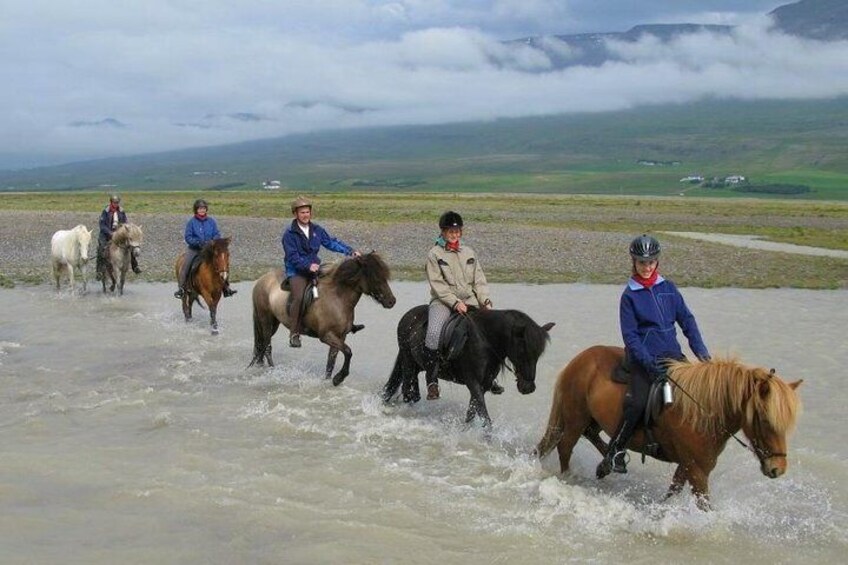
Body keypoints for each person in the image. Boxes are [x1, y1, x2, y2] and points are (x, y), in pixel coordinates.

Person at [597, 234, 710, 478]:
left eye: (650, 263)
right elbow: (631, 337)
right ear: (634, 262)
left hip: (673, 356)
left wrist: (703, 356)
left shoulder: (669, 289)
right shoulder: (629, 296)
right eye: (641, 263)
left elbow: (687, 322)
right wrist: (649, 364)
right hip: (644, 359)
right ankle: (615, 449)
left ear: (657, 262)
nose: (646, 267)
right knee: (637, 402)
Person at [423, 210, 501, 401]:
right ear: (443, 232)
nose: (455, 234)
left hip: (470, 301)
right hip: (442, 302)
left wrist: (485, 301)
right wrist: (455, 302)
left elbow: (479, 280)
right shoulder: (434, 254)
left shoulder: (469, 252)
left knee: (492, 330)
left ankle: (490, 377)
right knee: (433, 334)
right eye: (451, 231)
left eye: (457, 231)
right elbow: (437, 284)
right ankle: (432, 381)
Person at [282, 196, 360, 348]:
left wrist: (350, 252)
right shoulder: (289, 234)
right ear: (295, 214)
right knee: (298, 297)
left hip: (315, 268)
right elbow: (292, 256)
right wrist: (307, 265)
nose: (305, 215)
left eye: (307, 212)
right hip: (296, 271)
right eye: (302, 212)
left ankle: (344, 322)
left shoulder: (317, 230)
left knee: (338, 283)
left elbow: (331, 242)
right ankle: (294, 333)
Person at [174, 198, 237, 299]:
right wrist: (198, 243)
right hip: (195, 249)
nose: (202, 210)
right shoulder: (191, 222)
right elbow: (188, 237)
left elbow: (216, 233)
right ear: (196, 210)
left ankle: (226, 287)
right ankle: (181, 288)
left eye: (203, 208)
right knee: (186, 264)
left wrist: (214, 242)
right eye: (200, 209)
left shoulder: (211, 222)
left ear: (206, 209)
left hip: (210, 249)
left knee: (223, 263)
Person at [96, 194, 141, 279]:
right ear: (111, 202)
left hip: (119, 235)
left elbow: (125, 222)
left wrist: (124, 231)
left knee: (131, 246)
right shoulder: (105, 211)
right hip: (106, 234)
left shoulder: (121, 211)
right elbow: (102, 225)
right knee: (101, 250)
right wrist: (110, 233)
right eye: (114, 202)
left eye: (117, 202)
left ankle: (135, 266)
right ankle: (99, 271)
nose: (116, 204)